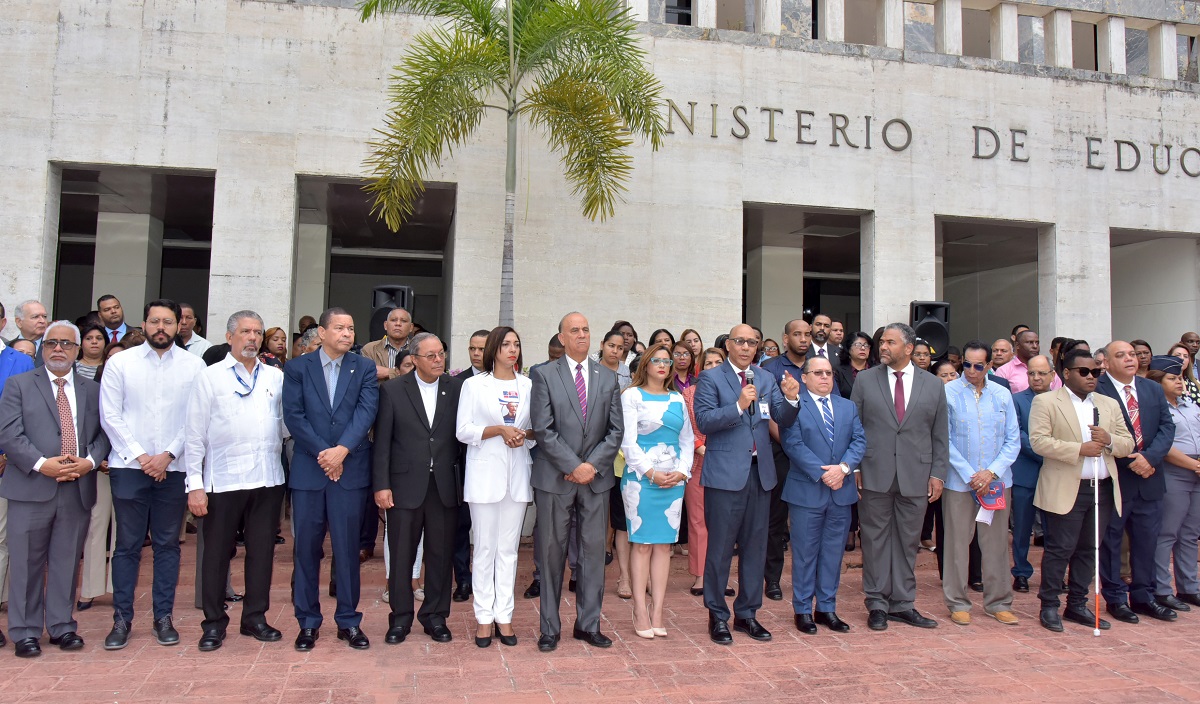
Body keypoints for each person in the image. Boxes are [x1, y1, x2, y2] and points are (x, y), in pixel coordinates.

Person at [99, 300, 206, 650]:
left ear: (179, 326)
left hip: (173, 469)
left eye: (169, 322)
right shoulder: (120, 363)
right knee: (127, 546)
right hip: (129, 468)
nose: (162, 327)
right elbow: (110, 416)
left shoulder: (194, 366)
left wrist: (168, 455)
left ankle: (163, 617)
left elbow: (195, 417)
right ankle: (122, 619)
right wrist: (143, 456)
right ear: (144, 324)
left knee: (167, 546)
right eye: (155, 321)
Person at [0, 320, 110, 657]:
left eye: (66, 343)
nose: (58, 349)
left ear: (77, 351)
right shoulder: (19, 385)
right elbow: (8, 434)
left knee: (65, 562)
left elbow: (104, 434)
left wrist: (89, 462)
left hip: (76, 488)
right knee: (26, 564)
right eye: (51, 343)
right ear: (42, 348)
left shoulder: (92, 390)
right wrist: (40, 464)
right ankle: (25, 632)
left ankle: (62, 627)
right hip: (31, 485)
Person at [183, 311, 287, 651]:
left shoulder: (275, 377)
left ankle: (255, 617)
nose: (253, 338)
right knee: (216, 554)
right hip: (222, 480)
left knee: (261, 553)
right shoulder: (209, 377)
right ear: (230, 337)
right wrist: (194, 485)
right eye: (246, 332)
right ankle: (213, 623)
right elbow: (194, 435)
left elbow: (286, 427)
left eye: (258, 332)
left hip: (267, 479)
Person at [694, 324, 800, 644]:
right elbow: (704, 421)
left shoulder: (765, 377)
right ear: (728, 345)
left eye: (752, 343)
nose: (746, 347)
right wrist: (739, 405)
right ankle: (717, 615)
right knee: (721, 550)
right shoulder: (711, 378)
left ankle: (748, 614)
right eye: (740, 341)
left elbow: (779, 415)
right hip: (725, 476)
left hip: (760, 473)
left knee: (756, 547)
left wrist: (793, 399)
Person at [284, 308, 379, 651]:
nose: (347, 333)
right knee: (307, 550)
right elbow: (294, 416)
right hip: (311, 471)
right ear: (321, 333)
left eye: (351, 328)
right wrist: (327, 454)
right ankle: (307, 623)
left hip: (349, 470)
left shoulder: (364, 367)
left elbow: (366, 411)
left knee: (347, 550)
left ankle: (348, 621)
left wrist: (341, 451)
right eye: (339, 328)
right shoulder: (297, 368)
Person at [529, 312, 624, 652]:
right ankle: (550, 629)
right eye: (575, 330)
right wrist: (573, 465)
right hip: (556, 478)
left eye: (586, 329)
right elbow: (543, 428)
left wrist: (590, 467)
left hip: (595, 481)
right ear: (562, 338)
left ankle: (588, 624)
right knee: (552, 553)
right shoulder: (543, 374)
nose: (582, 335)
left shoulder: (607, 377)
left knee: (593, 555)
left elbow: (615, 432)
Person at [850, 323, 948, 631]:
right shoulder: (865, 380)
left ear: (908, 348)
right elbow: (854, 428)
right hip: (874, 472)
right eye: (882, 342)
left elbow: (940, 434)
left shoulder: (933, 385)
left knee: (908, 542)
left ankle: (903, 603)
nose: (883, 347)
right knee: (876, 540)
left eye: (890, 342)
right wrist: (853, 467)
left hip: (917, 475)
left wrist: (938, 474)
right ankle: (877, 603)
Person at [1029, 348, 1133, 632]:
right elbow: (1039, 442)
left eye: (1096, 372)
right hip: (1066, 488)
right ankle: (1049, 604)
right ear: (1066, 373)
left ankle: (1077, 604)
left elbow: (1128, 443)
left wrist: (1109, 439)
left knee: (1089, 549)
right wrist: (1080, 449)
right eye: (1084, 372)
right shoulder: (1047, 402)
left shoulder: (1108, 404)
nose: (1091, 377)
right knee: (1060, 549)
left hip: (1101, 488)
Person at [372, 332, 463, 645]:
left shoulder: (456, 389)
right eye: (432, 356)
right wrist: (381, 485)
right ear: (415, 359)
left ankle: (435, 618)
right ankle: (399, 619)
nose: (439, 360)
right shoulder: (394, 391)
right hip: (403, 486)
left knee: (440, 557)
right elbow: (382, 441)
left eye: (441, 354)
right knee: (401, 556)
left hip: (444, 488)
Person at [455, 327, 531, 647]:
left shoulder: (528, 384)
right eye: (506, 344)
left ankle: (505, 616)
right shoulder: (473, 385)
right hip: (485, 475)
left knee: (509, 551)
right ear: (493, 350)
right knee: (485, 549)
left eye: (516, 344)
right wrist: (498, 430)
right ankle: (484, 617)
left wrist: (524, 434)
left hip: (517, 475)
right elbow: (463, 430)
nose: (512, 349)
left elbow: (538, 428)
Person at [780, 355, 865, 635]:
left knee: (832, 554)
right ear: (804, 378)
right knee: (805, 554)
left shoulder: (847, 406)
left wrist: (842, 469)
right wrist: (824, 473)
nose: (825, 377)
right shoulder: (794, 406)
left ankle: (826, 608)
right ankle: (802, 610)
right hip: (807, 491)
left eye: (828, 373)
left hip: (841, 491)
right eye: (817, 373)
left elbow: (859, 441)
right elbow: (793, 444)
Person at [1096, 340, 1177, 624]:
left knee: (1146, 541)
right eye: (1121, 355)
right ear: (1105, 362)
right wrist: (1134, 460)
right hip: (1117, 478)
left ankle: (1144, 597)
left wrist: (1150, 458)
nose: (1130, 359)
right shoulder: (1096, 390)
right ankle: (1115, 598)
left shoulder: (1152, 389)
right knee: (1112, 542)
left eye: (1132, 354)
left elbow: (1168, 427)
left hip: (1150, 477)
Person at [618, 343, 694, 639]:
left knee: (664, 546)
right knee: (643, 545)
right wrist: (650, 471)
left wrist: (682, 471)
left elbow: (687, 440)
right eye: (656, 360)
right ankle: (639, 609)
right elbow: (627, 441)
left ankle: (658, 610)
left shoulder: (677, 398)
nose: (663, 365)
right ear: (645, 365)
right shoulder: (631, 396)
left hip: (674, 481)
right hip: (641, 479)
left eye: (667, 360)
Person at [942, 341, 1019, 626]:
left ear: (989, 366)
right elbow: (944, 439)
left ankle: (998, 602)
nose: (971, 371)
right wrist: (971, 475)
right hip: (960, 482)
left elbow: (1013, 440)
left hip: (997, 483)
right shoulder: (948, 392)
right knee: (958, 543)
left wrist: (991, 473)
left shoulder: (1002, 394)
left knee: (997, 543)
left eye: (978, 366)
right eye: (967, 364)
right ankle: (957, 602)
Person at [761, 319, 813, 600]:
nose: (803, 339)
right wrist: (791, 444)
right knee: (776, 522)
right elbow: (765, 412)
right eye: (797, 334)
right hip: (781, 453)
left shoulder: (818, 367)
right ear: (785, 338)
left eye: (807, 334)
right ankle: (771, 579)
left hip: (814, 456)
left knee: (809, 520)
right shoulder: (770, 369)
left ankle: (810, 581)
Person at [521, 333, 575, 601]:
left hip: (581, 463)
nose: (557, 361)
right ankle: (541, 577)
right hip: (548, 461)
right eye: (553, 356)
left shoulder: (585, 376)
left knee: (577, 523)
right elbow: (539, 423)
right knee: (546, 526)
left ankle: (577, 573)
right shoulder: (539, 375)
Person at [1148, 356, 1200, 611]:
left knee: (1190, 534)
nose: (1180, 382)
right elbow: (1164, 445)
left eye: (1180, 377)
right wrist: (1195, 465)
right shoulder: (1157, 408)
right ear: (1158, 382)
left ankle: (1190, 588)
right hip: (1176, 470)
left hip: (1197, 470)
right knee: (1167, 533)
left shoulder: (1190, 405)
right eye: (1172, 378)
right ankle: (1162, 589)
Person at [683, 348, 732, 598]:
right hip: (698, 462)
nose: (713, 366)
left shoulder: (734, 392)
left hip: (728, 464)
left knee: (723, 523)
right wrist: (701, 448)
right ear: (699, 368)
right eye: (708, 362)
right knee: (698, 521)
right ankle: (701, 575)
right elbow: (685, 429)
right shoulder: (688, 393)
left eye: (718, 362)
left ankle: (721, 577)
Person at [449, 329, 490, 604]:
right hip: (463, 466)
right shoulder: (456, 383)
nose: (476, 354)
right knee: (461, 526)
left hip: (495, 465)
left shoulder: (507, 382)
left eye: (481, 349)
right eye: (472, 349)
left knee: (489, 528)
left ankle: (490, 581)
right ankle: (463, 579)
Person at [0, 301, 34, 621]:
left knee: (1, 541)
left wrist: (7, 453)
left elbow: (27, 418)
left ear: (3, 323)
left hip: (4, 464)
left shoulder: (20, 363)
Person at [1010, 354, 1055, 593]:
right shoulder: (1017, 400)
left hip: (1055, 475)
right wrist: (1046, 453)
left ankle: (1053, 574)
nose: (1036, 378)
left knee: (1053, 529)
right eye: (1031, 373)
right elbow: (1017, 434)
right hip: (1026, 472)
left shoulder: (1062, 400)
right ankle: (1021, 572)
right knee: (1022, 528)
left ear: (1052, 375)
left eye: (1041, 373)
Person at [596, 329, 632, 598]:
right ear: (603, 345)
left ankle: (625, 576)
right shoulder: (591, 371)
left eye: (620, 347)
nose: (615, 351)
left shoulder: (629, 375)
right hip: (595, 449)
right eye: (611, 345)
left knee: (621, 518)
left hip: (621, 452)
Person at [996, 330, 1062, 393]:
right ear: (1017, 345)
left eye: (1037, 343)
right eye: (1030, 342)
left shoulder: (1048, 369)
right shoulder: (1004, 371)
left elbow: (1058, 397)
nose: (1035, 346)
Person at [361, 307, 416, 382]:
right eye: (393, 320)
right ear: (385, 325)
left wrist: (388, 372)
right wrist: (399, 372)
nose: (398, 324)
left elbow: (420, 375)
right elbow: (365, 375)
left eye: (403, 321)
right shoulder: (370, 349)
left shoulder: (418, 350)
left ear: (411, 327)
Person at [834, 332, 874, 400]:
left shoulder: (875, 370)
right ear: (849, 348)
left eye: (866, 345)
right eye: (858, 345)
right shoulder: (838, 371)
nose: (863, 348)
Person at [10, 300, 48, 368]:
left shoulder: (53, 348)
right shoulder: (5, 348)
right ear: (19, 322)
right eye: (35, 317)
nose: (42, 321)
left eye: (44, 316)